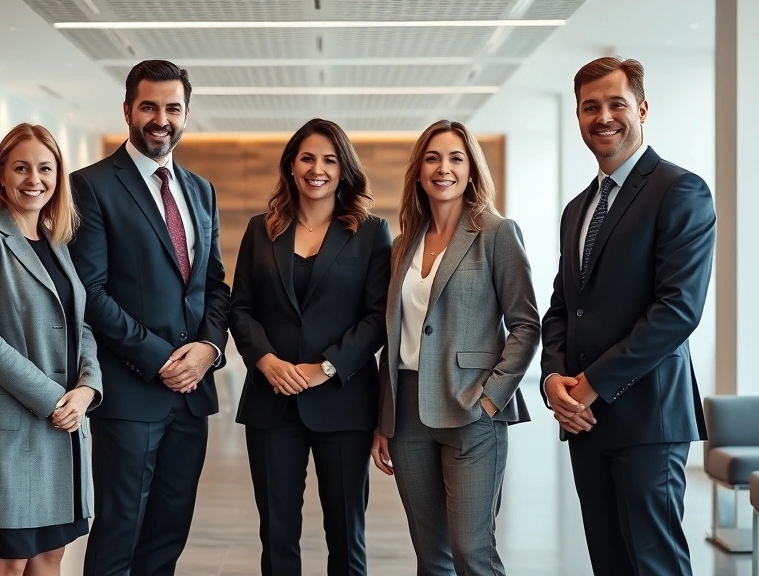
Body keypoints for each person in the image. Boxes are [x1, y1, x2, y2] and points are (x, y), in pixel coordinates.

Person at [539, 57, 716, 576]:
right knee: (610, 562)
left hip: (648, 416)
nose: (603, 117)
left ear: (641, 108)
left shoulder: (679, 190)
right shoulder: (578, 208)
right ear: (578, 117)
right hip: (584, 420)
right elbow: (561, 306)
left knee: (653, 563)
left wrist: (591, 383)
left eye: (616, 103)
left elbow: (677, 310)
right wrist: (553, 379)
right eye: (590, 107)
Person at [68, 59, 231, 576]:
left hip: (191, 397)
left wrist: (207, 351)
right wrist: (161, 359)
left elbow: (214, 286)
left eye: (173, 108)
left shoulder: (201, 189)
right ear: (128, 111)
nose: (161, 118)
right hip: (132, 394)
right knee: (121, 531)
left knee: (168, 534)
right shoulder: (90, 186)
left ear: (186, 114)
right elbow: (89, 292)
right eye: (150, 107)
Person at [371, 119, 540, 576]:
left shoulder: (496, 233)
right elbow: (394, 335)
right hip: (407, 413)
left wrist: (490, 399)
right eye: (432, 158)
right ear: (419, 171)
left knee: (471, 551)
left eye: (455, 158)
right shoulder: (404, 242)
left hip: (471, 410)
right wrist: (383, 419)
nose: (443, 168)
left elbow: (525, 324)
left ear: (471, 170)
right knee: (431, 555)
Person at [229, 118, 392, 576]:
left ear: (343, 170)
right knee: (277, 534)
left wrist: (327, 367)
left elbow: (379, 316)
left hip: (342, 404)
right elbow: (239, 308)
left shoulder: (372, 232)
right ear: (291, 166)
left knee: (346, 534)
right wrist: (264, 360)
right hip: (271, 402)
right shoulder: (261, 230)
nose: (317, 169)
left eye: (329, 159)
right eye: (307, 158)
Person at [0, 123, 102, 575]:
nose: (34, 179)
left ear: (58, 177)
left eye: (46, 168)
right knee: (11, 556)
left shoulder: (58, 243)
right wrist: (53, 398)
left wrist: (87, 388)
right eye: (21, 168)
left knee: (50, 554)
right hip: (15, 426)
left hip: (64, 426)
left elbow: (81, 325)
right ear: (0, 175)